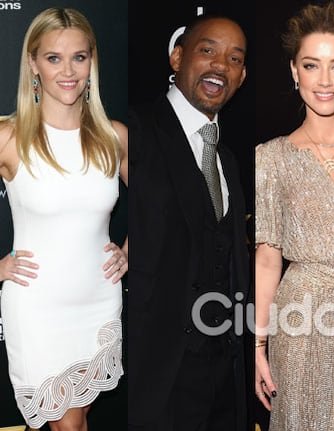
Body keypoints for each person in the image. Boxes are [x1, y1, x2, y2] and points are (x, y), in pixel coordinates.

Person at [253, 2, 334, 430]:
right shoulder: (270, 158)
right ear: (294, 71)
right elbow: (268, 258)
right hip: (303, 325)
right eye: (312, 65)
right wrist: (259, 344)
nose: (325, 81)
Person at [0, 7, 128, 430]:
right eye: (54, 58)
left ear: (92, 61)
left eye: (79, 56)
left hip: (98, 303)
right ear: (33, 63)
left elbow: (168, 204)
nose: (68, 71)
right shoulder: (9, 137)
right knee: (68, 423)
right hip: (38, 307)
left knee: (66, 420)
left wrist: (132, 249)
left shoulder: (114, 137)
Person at [127, 13, 249, 431]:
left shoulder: (228, 161)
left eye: (234, 59)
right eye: (208, 50)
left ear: (243, 75)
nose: (220, 65)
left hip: (224, 382)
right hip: (157, 377)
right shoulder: (135, 131)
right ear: (177, 58)